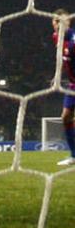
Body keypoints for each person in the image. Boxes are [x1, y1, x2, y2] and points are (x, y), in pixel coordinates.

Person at [52, 9, 75, 166]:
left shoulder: (74, 38)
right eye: (54, 22)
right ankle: (74, 156)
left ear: (67, 22)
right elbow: (62, 58)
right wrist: (57, 75)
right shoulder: (56, 37)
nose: (56, 25)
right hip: (73, 84)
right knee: (66, 117)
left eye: (59, 21)